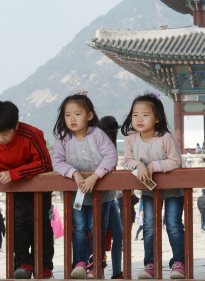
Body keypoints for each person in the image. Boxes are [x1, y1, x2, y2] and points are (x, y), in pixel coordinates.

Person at [0, 100, 54, 279]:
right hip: (14, 186)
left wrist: (14, 173)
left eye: (5, 134)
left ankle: (44, 266)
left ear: (16, 124)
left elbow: (44, 163)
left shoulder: (31, 134)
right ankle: (23, 263)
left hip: (37, 183)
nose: (0, 139)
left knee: (40, 223)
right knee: (18, 222)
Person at [52, 96, 118, 280]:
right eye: (68, 115)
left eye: (77, 114)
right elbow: (56, 161)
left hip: (100, 191)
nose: (72, 119)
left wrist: (95, 177)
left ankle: (96, 264)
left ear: (89, 116)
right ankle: (79, 263)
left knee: (96, 226)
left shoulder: (97, 134)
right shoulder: (63, 138)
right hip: (77, 192)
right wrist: (75, 173)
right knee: (79, 228)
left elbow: (111, 156)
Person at [122, 93, 185, 279]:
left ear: (157, 118)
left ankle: (178, 263)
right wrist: (138, 165)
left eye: (145, 114)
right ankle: (150, 264)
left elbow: (176, 161)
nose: (139, 119)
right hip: (149, 191)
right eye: (135, 114)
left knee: (173, 225)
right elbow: (127, 160)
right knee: (149, 226)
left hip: (173, 190)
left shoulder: (165, 137)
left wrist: (153, 166)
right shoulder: (131, 139)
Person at [99, 115, 124, 279]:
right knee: (98, 232)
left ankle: (117, 272)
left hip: (110, 196)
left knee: (119, 235)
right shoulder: (97, 144)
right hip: (100, 195)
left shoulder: (111, 145)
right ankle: (96, 265)